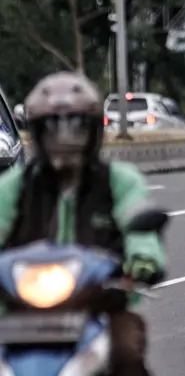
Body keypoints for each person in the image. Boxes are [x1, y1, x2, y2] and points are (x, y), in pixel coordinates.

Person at [0, 72, 166, 376]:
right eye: (52, 129)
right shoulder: (14, 185)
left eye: (76, 128)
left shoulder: (120, 180)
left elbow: (138, 223)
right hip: (16, 311)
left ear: (93, 131)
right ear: (37, 133)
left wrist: (144, 259)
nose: (65, 139)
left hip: (99, 306)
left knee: (127, 352)